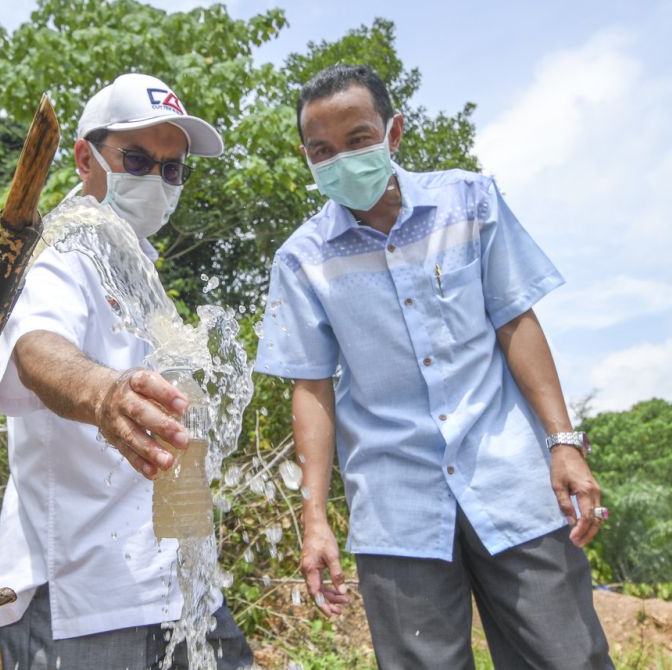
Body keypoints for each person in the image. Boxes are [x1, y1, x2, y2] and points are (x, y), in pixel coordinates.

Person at [254, 64, 613, 669]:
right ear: (307, 157)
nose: (341, 159)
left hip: (511, 484)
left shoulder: (469, 202)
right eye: (322, 151)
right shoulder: (301, 260)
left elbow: (515, 322)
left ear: (393, 134)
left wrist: (564, 442)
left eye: (359, 140)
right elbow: (311, 388)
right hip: (396, 507)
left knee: (568, 657)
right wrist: (314, 519)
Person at [0, 73, 253, 670]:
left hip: (176, 584)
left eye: (172, 168)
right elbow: (36, 351)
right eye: (137, 159)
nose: (157, 180)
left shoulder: (137, 269)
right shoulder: (59, 251)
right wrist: (105, 393)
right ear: (86, 157)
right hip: (87, 593)